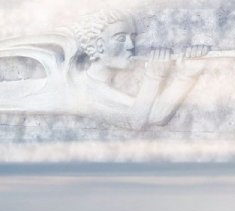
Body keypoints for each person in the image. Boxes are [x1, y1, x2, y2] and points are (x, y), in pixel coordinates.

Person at [0, 9, 209, 129]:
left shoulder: (97, 86)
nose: (130, 45)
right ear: (98, 46)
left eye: (132, 38)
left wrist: (186, 76)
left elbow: (154, 116)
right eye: (120, 38)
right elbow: (135, 120)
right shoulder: (81, 86)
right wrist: (154, 77)